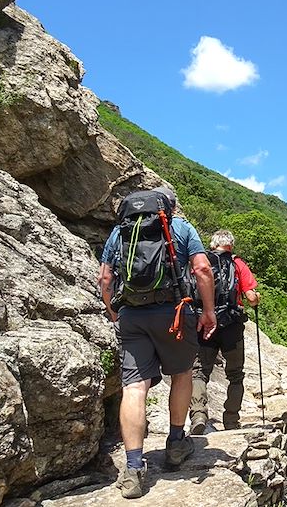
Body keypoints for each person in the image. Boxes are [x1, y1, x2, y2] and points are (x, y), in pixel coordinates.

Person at [98, 186, 217, 499]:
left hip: (132, 316)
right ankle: (177, 444)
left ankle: (134, 467)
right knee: (181, 375)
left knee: (135, 387)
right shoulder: (180, 227)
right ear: (171, 206)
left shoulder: (121, 231)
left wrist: (113, 311)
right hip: (174, 313)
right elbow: (202, 269)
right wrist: (208, 311)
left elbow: (106, 278)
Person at [190, 229, 260, 433]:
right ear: (231, 245)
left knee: (200, 372)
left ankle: (199, 415)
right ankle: (231, 420)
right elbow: (251, 297)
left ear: (213, 244)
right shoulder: (238, 264)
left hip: (205, 323)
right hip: (232, 325)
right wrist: (256, 298)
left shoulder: (202, 261)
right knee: (236, 375)